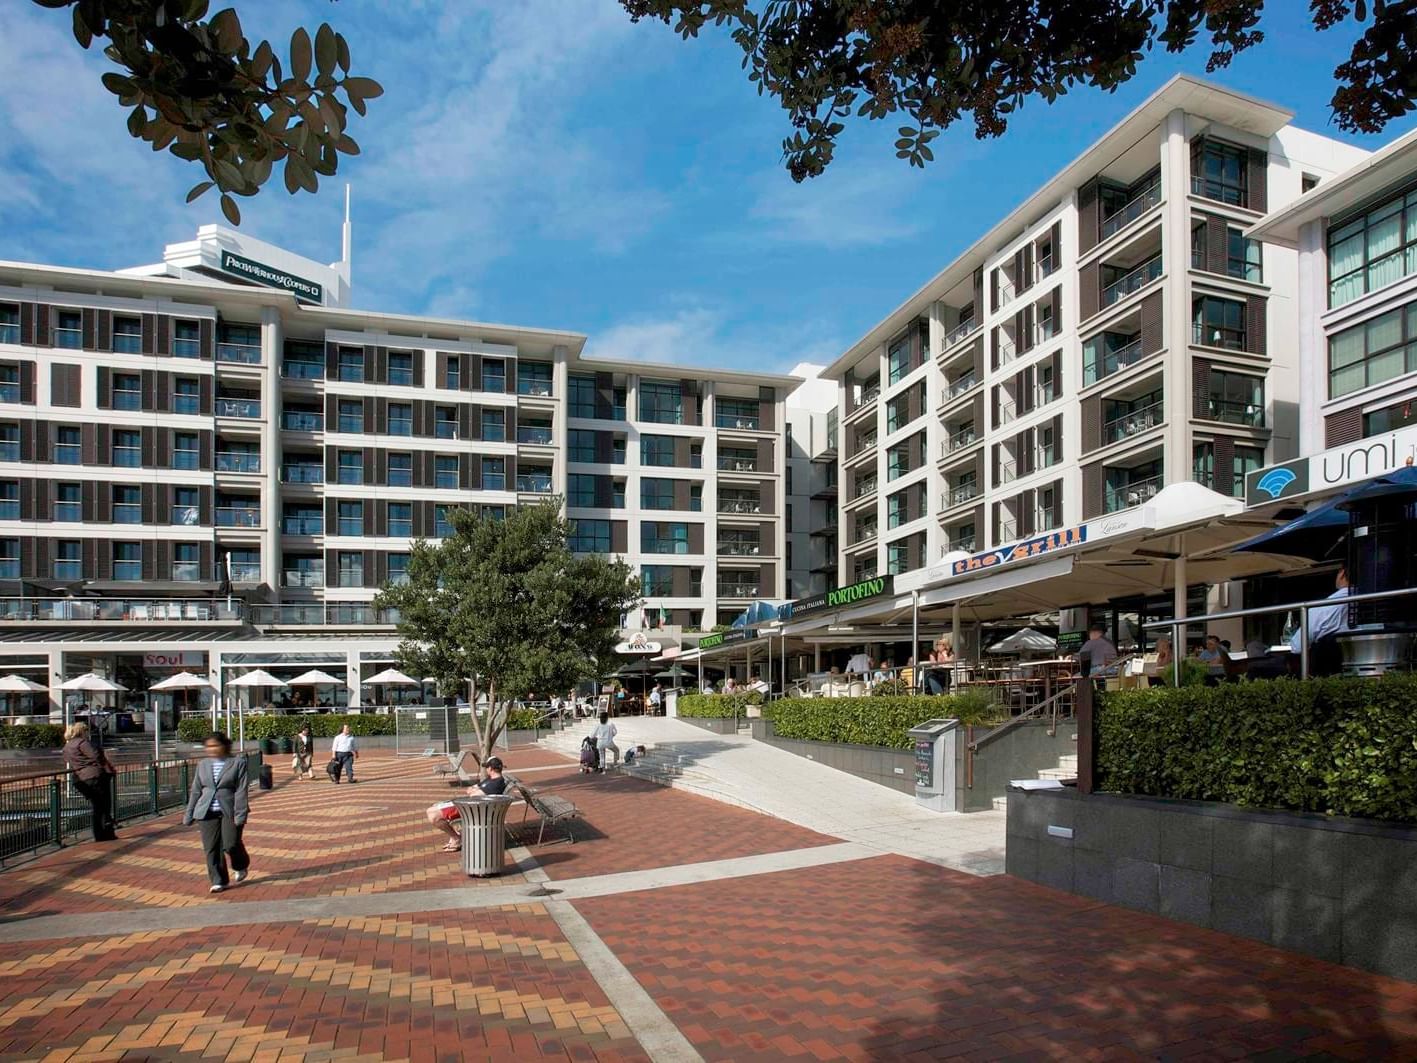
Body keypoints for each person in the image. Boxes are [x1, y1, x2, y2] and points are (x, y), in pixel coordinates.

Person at [182, 732, 251, 893]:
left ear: (225, 745)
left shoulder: (237, 763)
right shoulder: (203, 764)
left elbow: (241, 791)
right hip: (206, 811)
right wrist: (189, 813)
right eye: (208, 746)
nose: (211, 749)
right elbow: (196, 790)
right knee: (211, 848)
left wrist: (240, 814)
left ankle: (240, 865)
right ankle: (219, 880)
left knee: (231, 844)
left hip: (229, 809)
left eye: (215, 745)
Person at [426, 756, 507, 852]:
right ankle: (454, 837)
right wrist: (475, 790)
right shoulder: (491, 780)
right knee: (433, 808)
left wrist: (474, 790)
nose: (486, 770)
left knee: (433, 815)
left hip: (471, 809)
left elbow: (473, 794)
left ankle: (456, 838)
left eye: (486, 767)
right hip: (469, 805)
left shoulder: (496, 783)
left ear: (490, 768)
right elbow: (471, 789)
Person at [61, 722, 117, 842]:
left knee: (97, 805)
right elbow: (95, 755)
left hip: (81, 778)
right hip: (96, 775)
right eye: (86, 731)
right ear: (82, 731)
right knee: (103, 805)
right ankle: (105, 832)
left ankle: (100, 833)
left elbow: (68, 760)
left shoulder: (67, 747)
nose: (88, 733)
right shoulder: (83, 743)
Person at [1290, 567, 1351, 675]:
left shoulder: (1325, 606)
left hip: (1326, 669)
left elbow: (1297, 646)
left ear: (1342, 573)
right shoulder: (1369, 599)